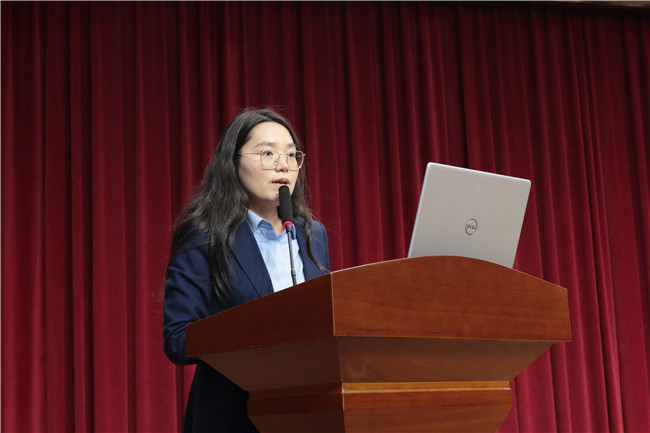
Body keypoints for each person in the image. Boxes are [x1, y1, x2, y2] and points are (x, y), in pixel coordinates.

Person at [163, 108, 330, 432]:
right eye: (267, 153)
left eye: (291, 155)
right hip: (233, 416)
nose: (283, 165)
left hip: (308, 412)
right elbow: (178, 339)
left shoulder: (312, 233)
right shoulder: (204, 237)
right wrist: (260, 330)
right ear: (233, 163)